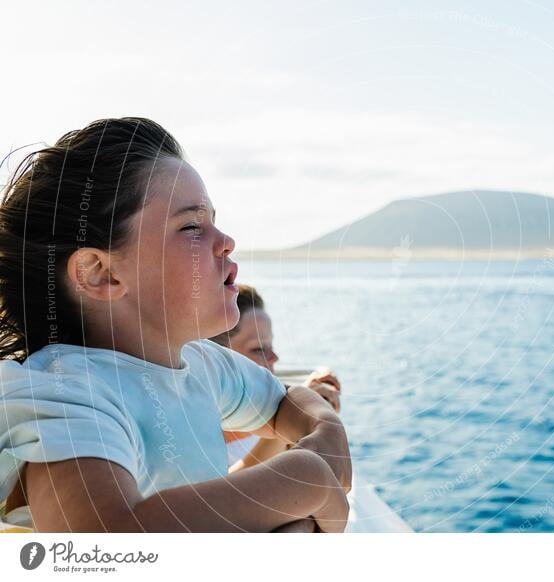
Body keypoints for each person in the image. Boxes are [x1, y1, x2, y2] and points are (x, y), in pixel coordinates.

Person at [0, 118, 351, 533]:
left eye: (214, 221)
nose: (226, 240)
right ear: (99, 273)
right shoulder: (67, 397)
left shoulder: (203, 364)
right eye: (191, 227)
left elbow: (283, 402)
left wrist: (324, 427)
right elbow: (104, 542)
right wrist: (303, 480)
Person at [210, 285, 342, 470]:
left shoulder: (267, 409)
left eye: (271, 346)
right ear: (214, 357)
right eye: (259, 349)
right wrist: (295, 414)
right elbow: (228, 490)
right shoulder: (199, 431)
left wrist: (309, 411)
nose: (275, 358)